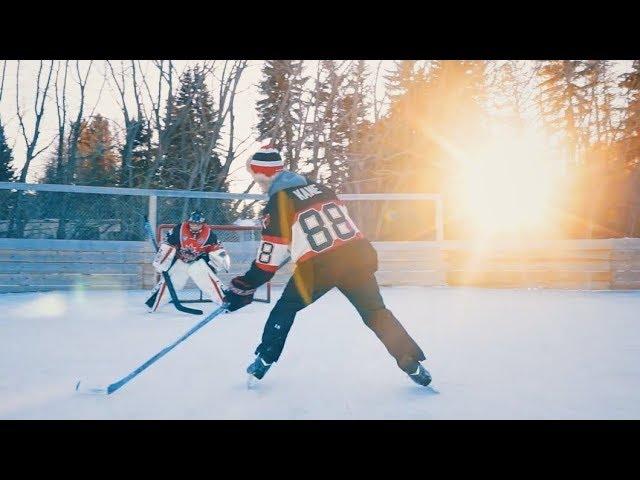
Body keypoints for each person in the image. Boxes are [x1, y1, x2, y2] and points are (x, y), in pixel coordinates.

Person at [224, 147, 431, 387]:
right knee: (376, 312)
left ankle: (265, 358)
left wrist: (245, 285)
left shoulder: (277, 202)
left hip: (319, 266)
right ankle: (411, 362)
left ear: (265, 174)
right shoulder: (321, 189)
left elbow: (267, 262)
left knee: (285, 308)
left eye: (257, 177)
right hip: (356, 255)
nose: (258, 184)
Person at [145, 210, 230, 312]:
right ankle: (154, 304)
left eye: (198, 224)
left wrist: (223, 260)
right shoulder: (179, 229)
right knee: (171, 283)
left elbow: (217, 248)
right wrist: (161, 261)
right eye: (193, 223)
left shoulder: (209, 234)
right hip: (179, 261)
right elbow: (167, 243)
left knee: (209, 284)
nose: (195, 226)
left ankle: (226, 303)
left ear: (202, 224)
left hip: (197, 263)